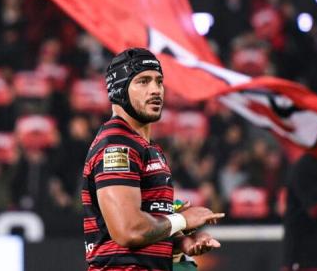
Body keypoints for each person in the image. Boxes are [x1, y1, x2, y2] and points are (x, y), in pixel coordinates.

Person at [81, 48, 224, 270]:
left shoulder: (147, 147)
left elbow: (143, 231)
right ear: (119, 89)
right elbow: (128, 230)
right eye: (143, 81)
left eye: (159, 81)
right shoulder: (117, 146)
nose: (156, 90)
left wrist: (181, 242)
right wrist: (182, 220)